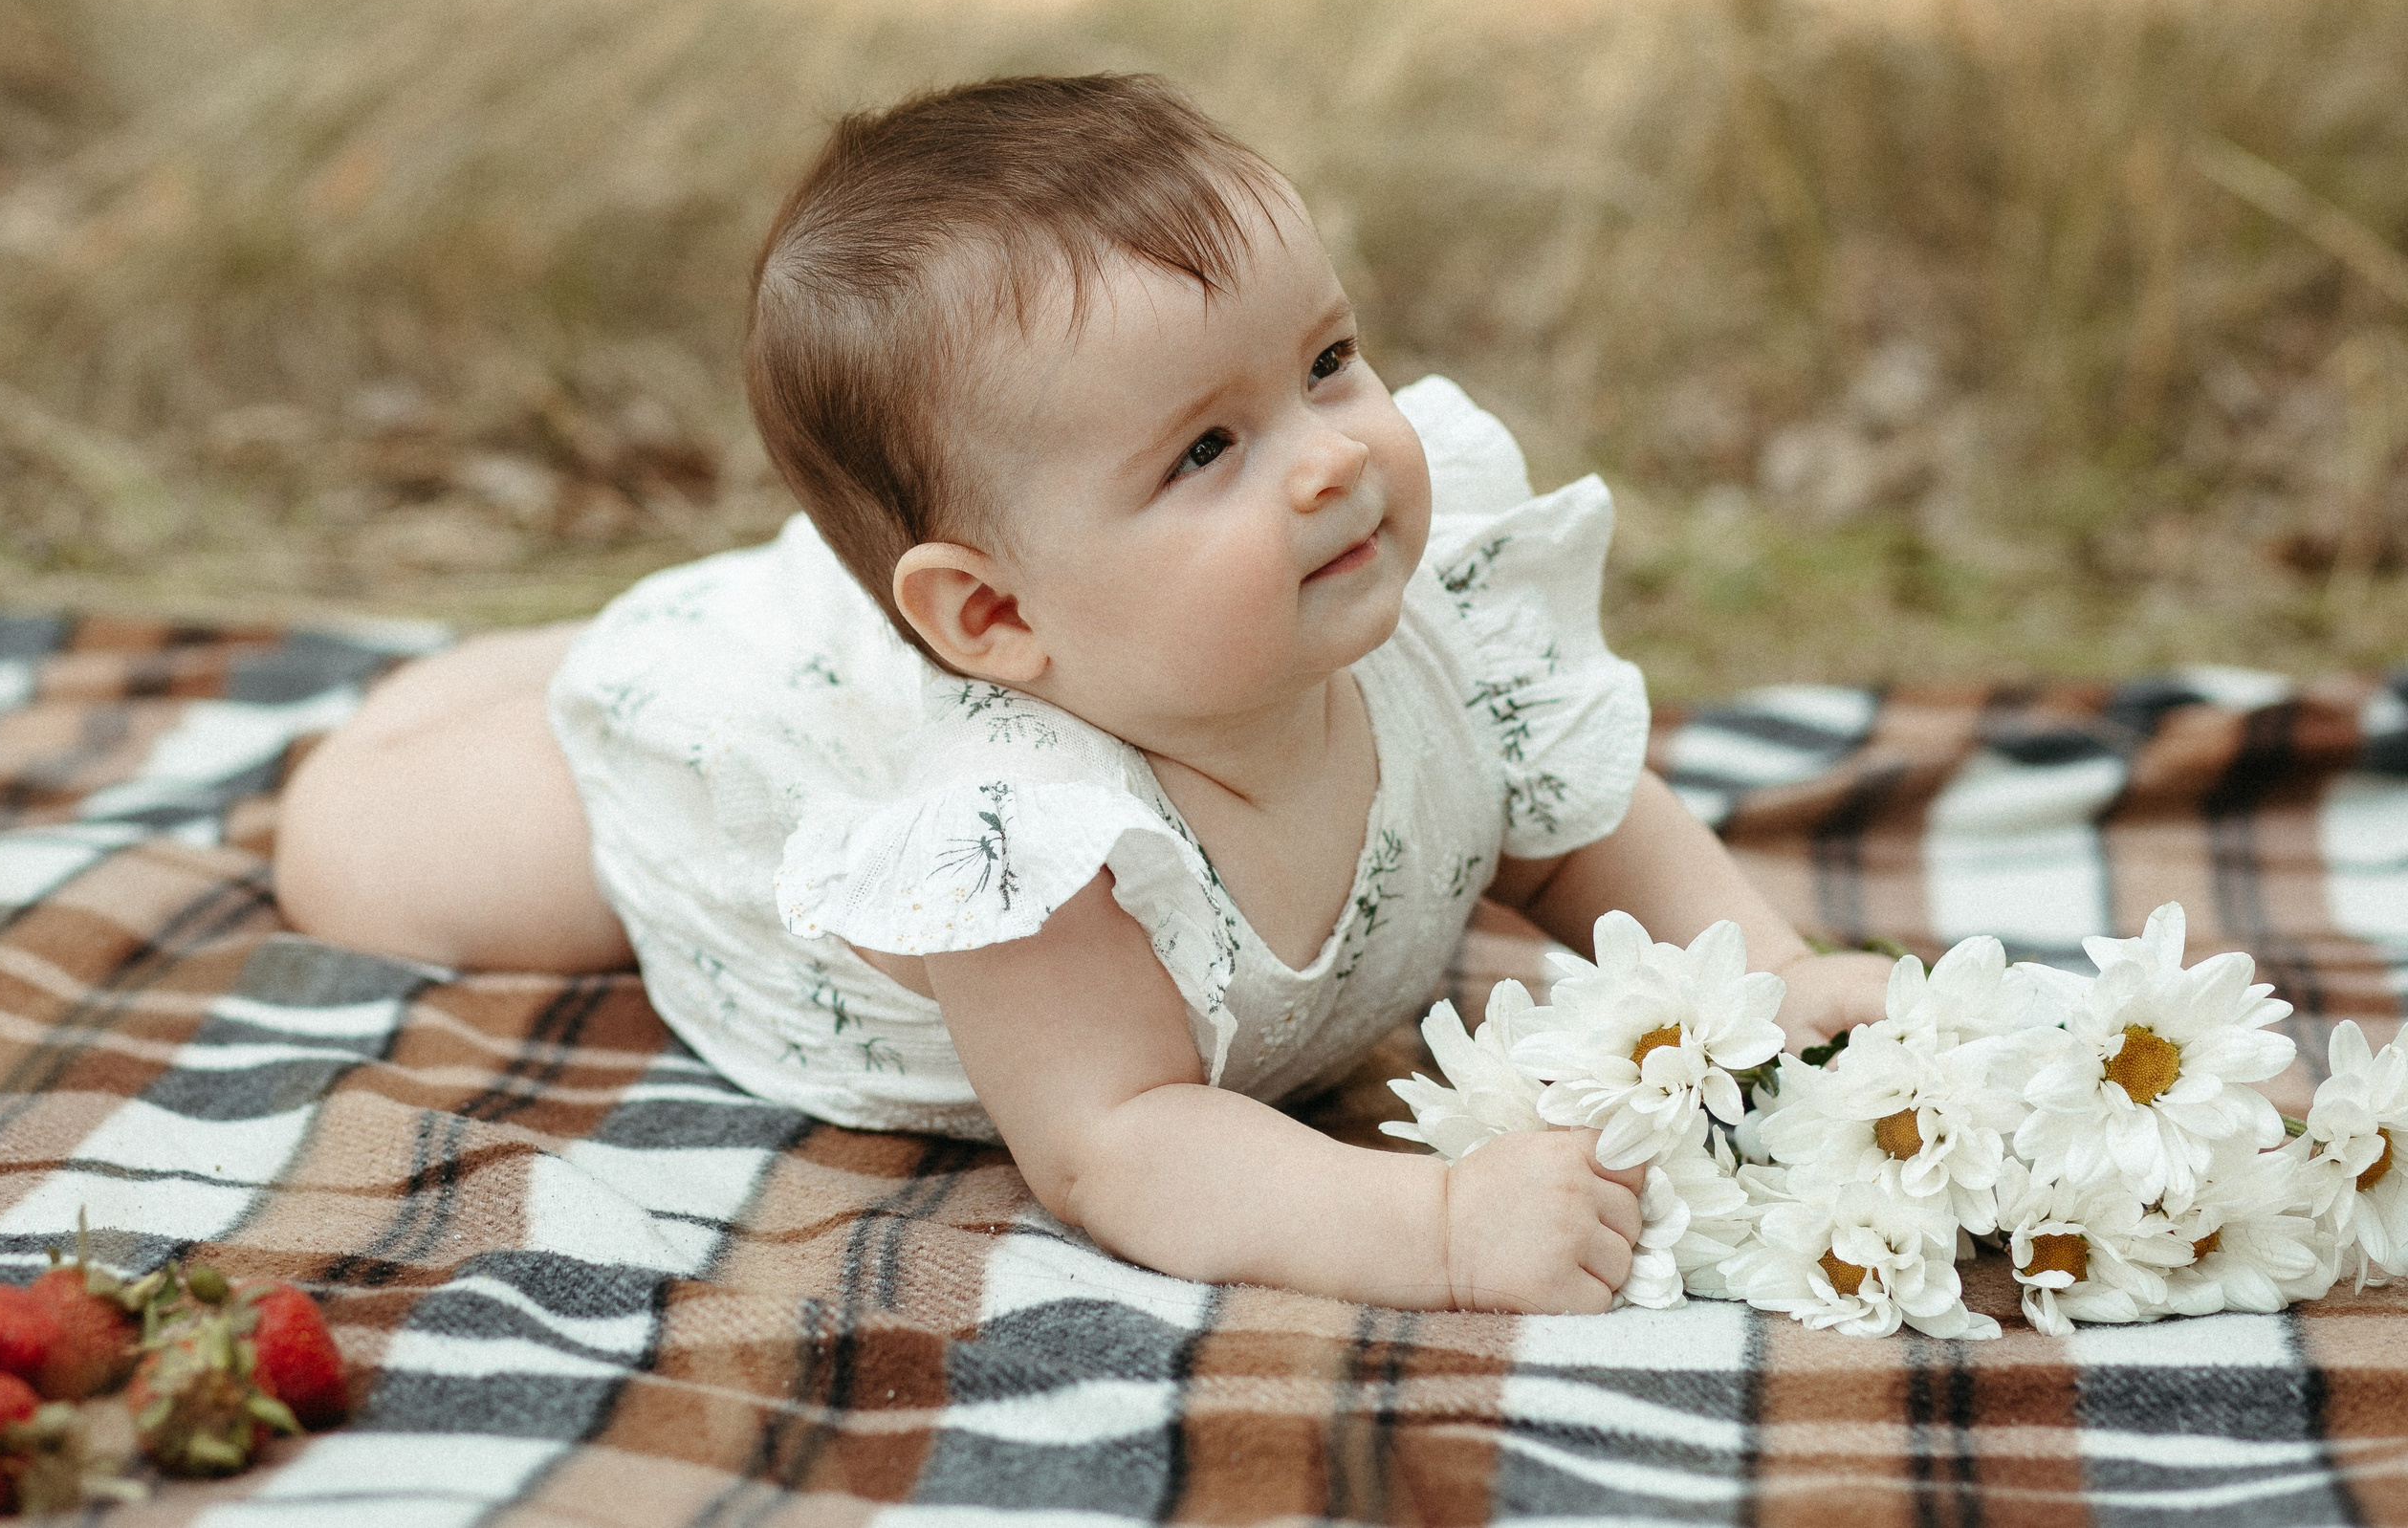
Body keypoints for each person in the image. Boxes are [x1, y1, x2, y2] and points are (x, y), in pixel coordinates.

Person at [275, 74, 1889, 1315]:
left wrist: (1765, 968)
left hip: (965, 625)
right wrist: (1437, 1228)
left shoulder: (1427, 631)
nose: (1330, 459)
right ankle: (557, 670)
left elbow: (1576, 824)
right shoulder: (1024, 845)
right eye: (1208, 449)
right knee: (367, 861)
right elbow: (1121, 1138)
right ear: (993, 611)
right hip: (784, 756)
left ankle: (703, 616)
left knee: (779, 624)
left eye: (1327, 363)